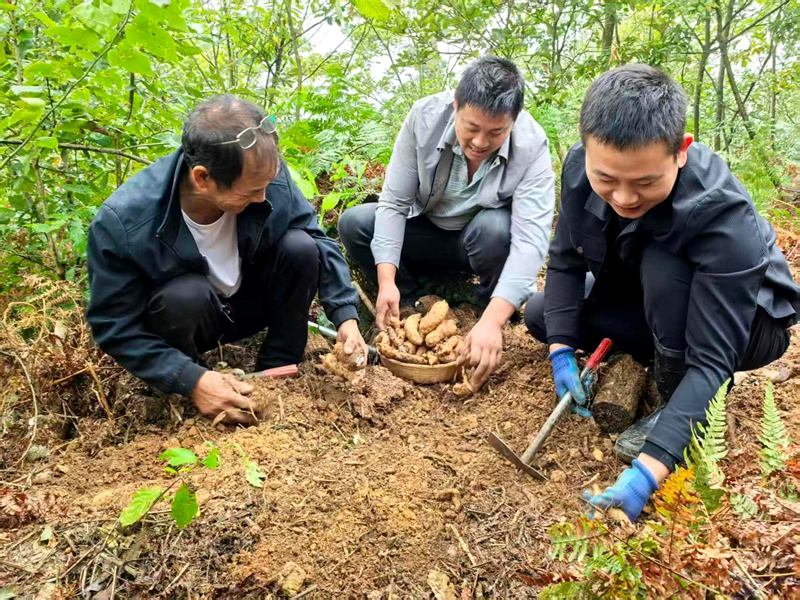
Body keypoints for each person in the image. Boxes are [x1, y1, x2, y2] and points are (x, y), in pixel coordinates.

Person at [525, 65, 800, 521]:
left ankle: (676, 401)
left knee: (663, 261)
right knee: (543, 315)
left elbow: (714, 356)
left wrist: (648, 472)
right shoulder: (580, 168)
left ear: (681, 152)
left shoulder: (722, 215)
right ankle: (661, 361)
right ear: (585, 150)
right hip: (653, 305)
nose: (625, 198)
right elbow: (567, 261)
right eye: (607, 179)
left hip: (746, 325)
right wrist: (560, 350)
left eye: (646, 181)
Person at [87, 95, 367, 425]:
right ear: (203, 178)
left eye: (267, 185)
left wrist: (345, 316)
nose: (263, 198)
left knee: (301, 247)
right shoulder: (125, 223)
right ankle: (201, 383)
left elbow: (317, 239)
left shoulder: (262, 174)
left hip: (249, 303)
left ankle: (277, 369)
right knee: (184, 296)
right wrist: (191, 380)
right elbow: (114, 327)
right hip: (189, 322)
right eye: (250, 192)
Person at [339, 55, 555, 390]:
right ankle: (409, 299)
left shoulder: (532, 145)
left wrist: (493, 322)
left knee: (497, 230)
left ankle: (487, 310)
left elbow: (531, 241)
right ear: (456, 106)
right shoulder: (423, 118)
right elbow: (394, 204)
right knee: (356, 223)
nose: (480, 142)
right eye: (471, 127)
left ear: (513, 121)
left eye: (496, 132)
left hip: (478, 240)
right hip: (425, 230)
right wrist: (386, 281)